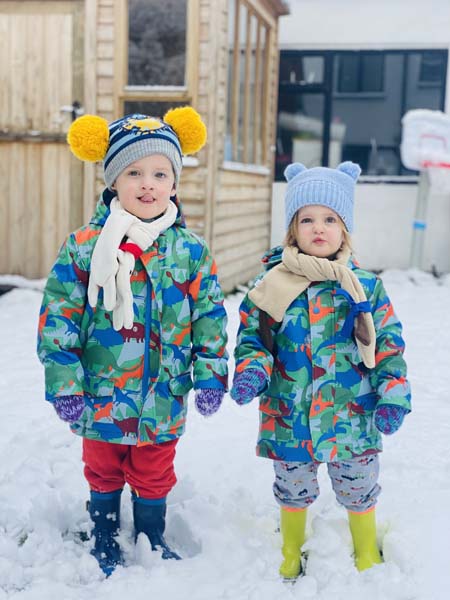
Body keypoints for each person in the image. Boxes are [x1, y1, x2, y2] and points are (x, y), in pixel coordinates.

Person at [37, 107, 228, 576]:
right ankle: (104, 531)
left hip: (164, 392)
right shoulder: (85, 245)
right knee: (102, 466)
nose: (148, 183)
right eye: (134, 172)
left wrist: (210, 375)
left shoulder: (190, 250)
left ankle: (150, 534)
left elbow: (209, 317)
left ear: (175, 183)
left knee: (155, 468)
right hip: (101, 390)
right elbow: (59, 315)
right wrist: (65, 383)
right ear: (113, 183)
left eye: (160, 173)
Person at [230, 161, 411, 580]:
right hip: (290, 413)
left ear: (344, 229)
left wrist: (394, 394)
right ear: (292, 229)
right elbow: (254, 338)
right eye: (306, 218)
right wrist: (252, 370)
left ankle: (365, 547)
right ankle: (292, 547)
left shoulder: (363, 287)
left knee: (358, 482)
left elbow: (388, 345)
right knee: (292, 483)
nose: (318, 227)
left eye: (330, 219)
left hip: (352, 414)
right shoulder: (272, 284)